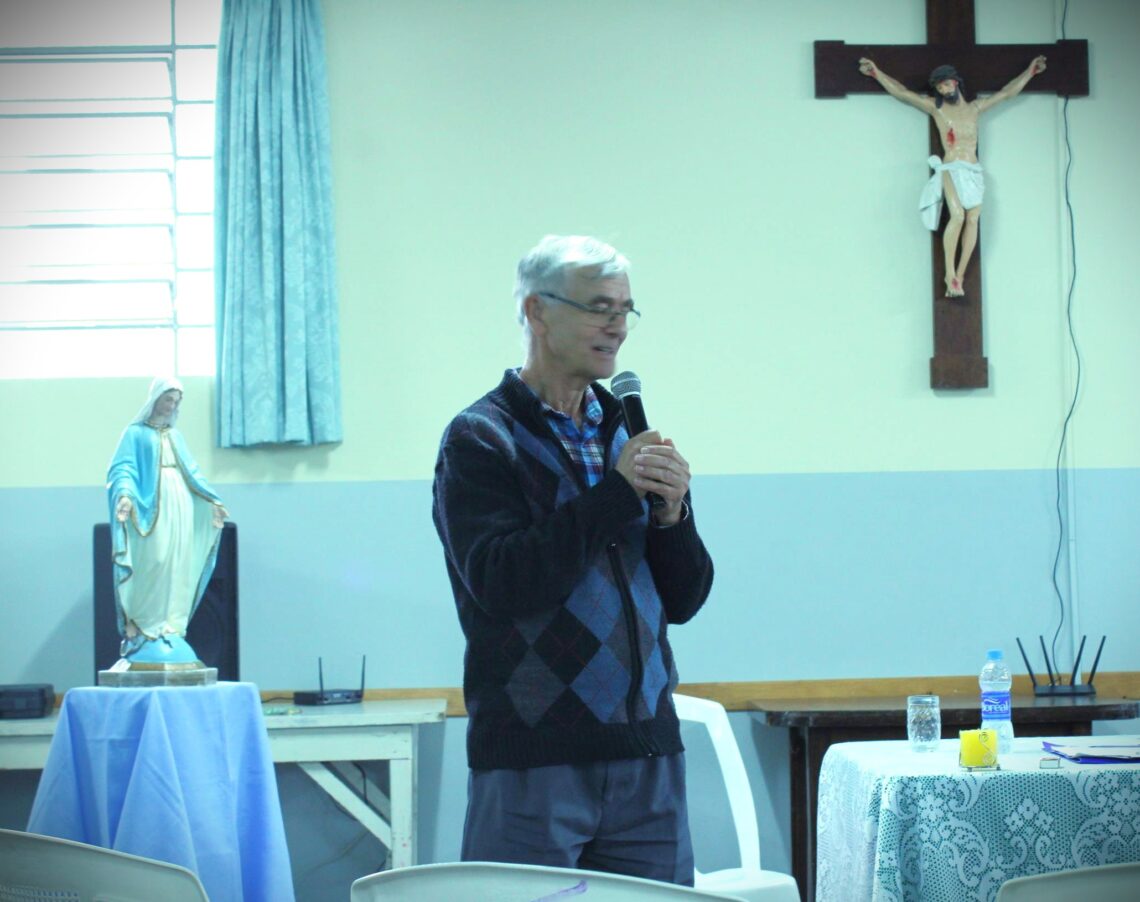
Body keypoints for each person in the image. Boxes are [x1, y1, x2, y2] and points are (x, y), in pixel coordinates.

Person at [432, 235, 714, 885]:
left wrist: (673, 516)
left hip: (647, 761)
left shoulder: (628, 431)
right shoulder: (481, 438)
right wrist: (616, 493)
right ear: (536, 311)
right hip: (535, 761)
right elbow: (502, 582)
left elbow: (686, 599)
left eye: (625, 309)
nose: (616, 325)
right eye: (597, 307)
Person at [858, 55, 1047, 297]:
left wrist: (1030, 72)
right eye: (939, 87)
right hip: (952, 167)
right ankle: (949, 272)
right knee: (956, 215)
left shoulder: (975, 108)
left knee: (973, 219)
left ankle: (959, 274)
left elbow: (1007, 93)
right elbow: (903, 94)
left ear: (956, 83)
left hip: (973, 169)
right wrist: (876, 73)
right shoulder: (937, 109)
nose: (944, 90)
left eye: (946, 84)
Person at [106, 377, 228, 666]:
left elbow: (193, 473)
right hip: (148, 510)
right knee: (155, 562)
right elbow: (122, 468)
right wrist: (124, 495)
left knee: (176, 565)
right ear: (155, 399)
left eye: (176, 401)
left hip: (180, 505)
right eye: (168, 399)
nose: (172, 405)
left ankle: (170, 627)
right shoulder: (134, 434)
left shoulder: (175, 436)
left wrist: (212, 501)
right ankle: (145, 628)